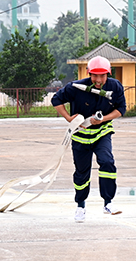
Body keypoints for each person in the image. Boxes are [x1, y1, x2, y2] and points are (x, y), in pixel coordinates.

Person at [51, 56, 127, 222]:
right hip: (80, 136)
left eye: (102, 76)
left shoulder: (115, 87)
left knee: (107, 162)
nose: (98, 80)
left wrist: (103, 119)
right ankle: (80, 206)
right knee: (81, 172)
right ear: (88, 73)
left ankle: (108, 202)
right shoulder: (76, 87)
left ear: (109, 74)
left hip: (102, 133)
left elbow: (121, 109)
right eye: (94, 75)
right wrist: (69, 118)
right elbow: (56, 100)